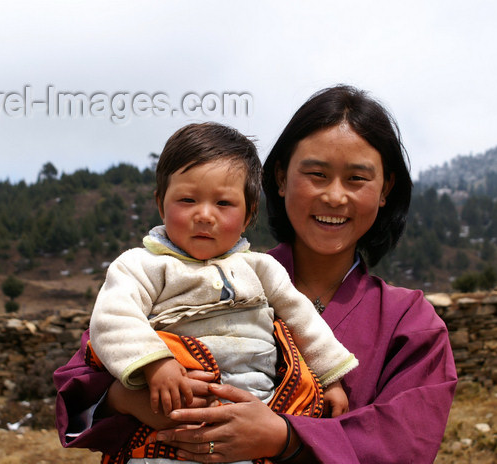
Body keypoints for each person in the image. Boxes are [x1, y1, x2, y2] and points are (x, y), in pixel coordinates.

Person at [54, 85, 458, 463]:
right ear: (280, 179)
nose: (335, 196)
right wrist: (127, 397)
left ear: (385, 188)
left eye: (357, 178)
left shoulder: (411, 323)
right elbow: (86, 377)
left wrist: (286, 437)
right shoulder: (190, 275)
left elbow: (407, 439)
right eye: (316, 174)